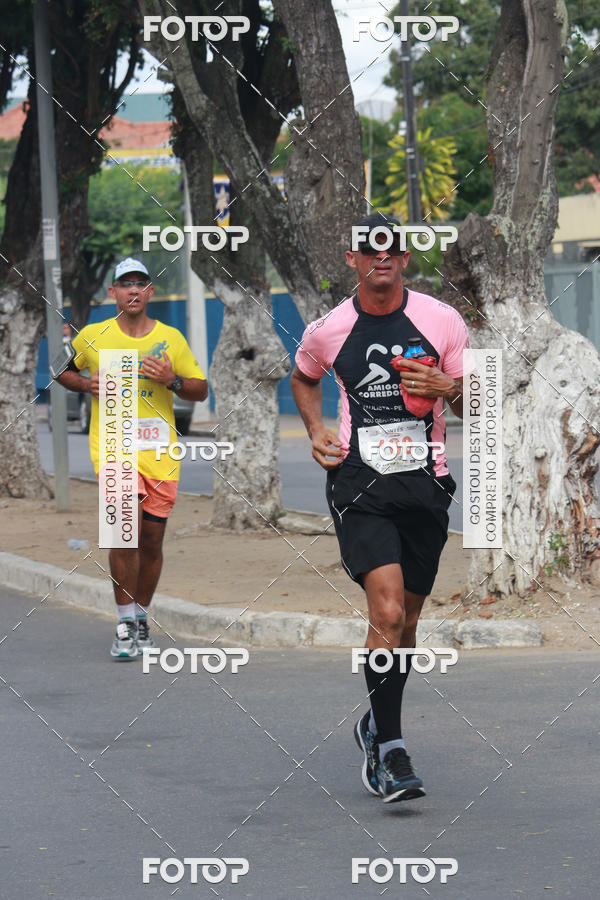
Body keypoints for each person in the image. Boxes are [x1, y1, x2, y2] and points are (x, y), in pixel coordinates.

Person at [291, 214, 468, 803]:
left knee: (408, 622)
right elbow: (302, 378)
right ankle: (391, 751)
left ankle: (376, 719)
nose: (381, 257)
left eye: (391, 247)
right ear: (352, 258)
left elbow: (478, 402)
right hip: (360, 486)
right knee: (387, 613)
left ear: (405, 257)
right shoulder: (329, 329)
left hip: (425, 485)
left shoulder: (442, 320)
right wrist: (315, 429)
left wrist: (450, 389)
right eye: (369, 249)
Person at [57, 258, 208, 660]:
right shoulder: (94, 335)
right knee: (123, 534)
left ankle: (141, 617)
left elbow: (200, 389)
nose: (134, 290)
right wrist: (85, 383)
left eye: (141, 283)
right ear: (114, 293)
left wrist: (172, 380)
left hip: (159, 452)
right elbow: (61, 371)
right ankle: (124, 623)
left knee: (151, 541)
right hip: (114, 448)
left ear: (150, 292)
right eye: (126, 284)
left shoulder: (171, 339)